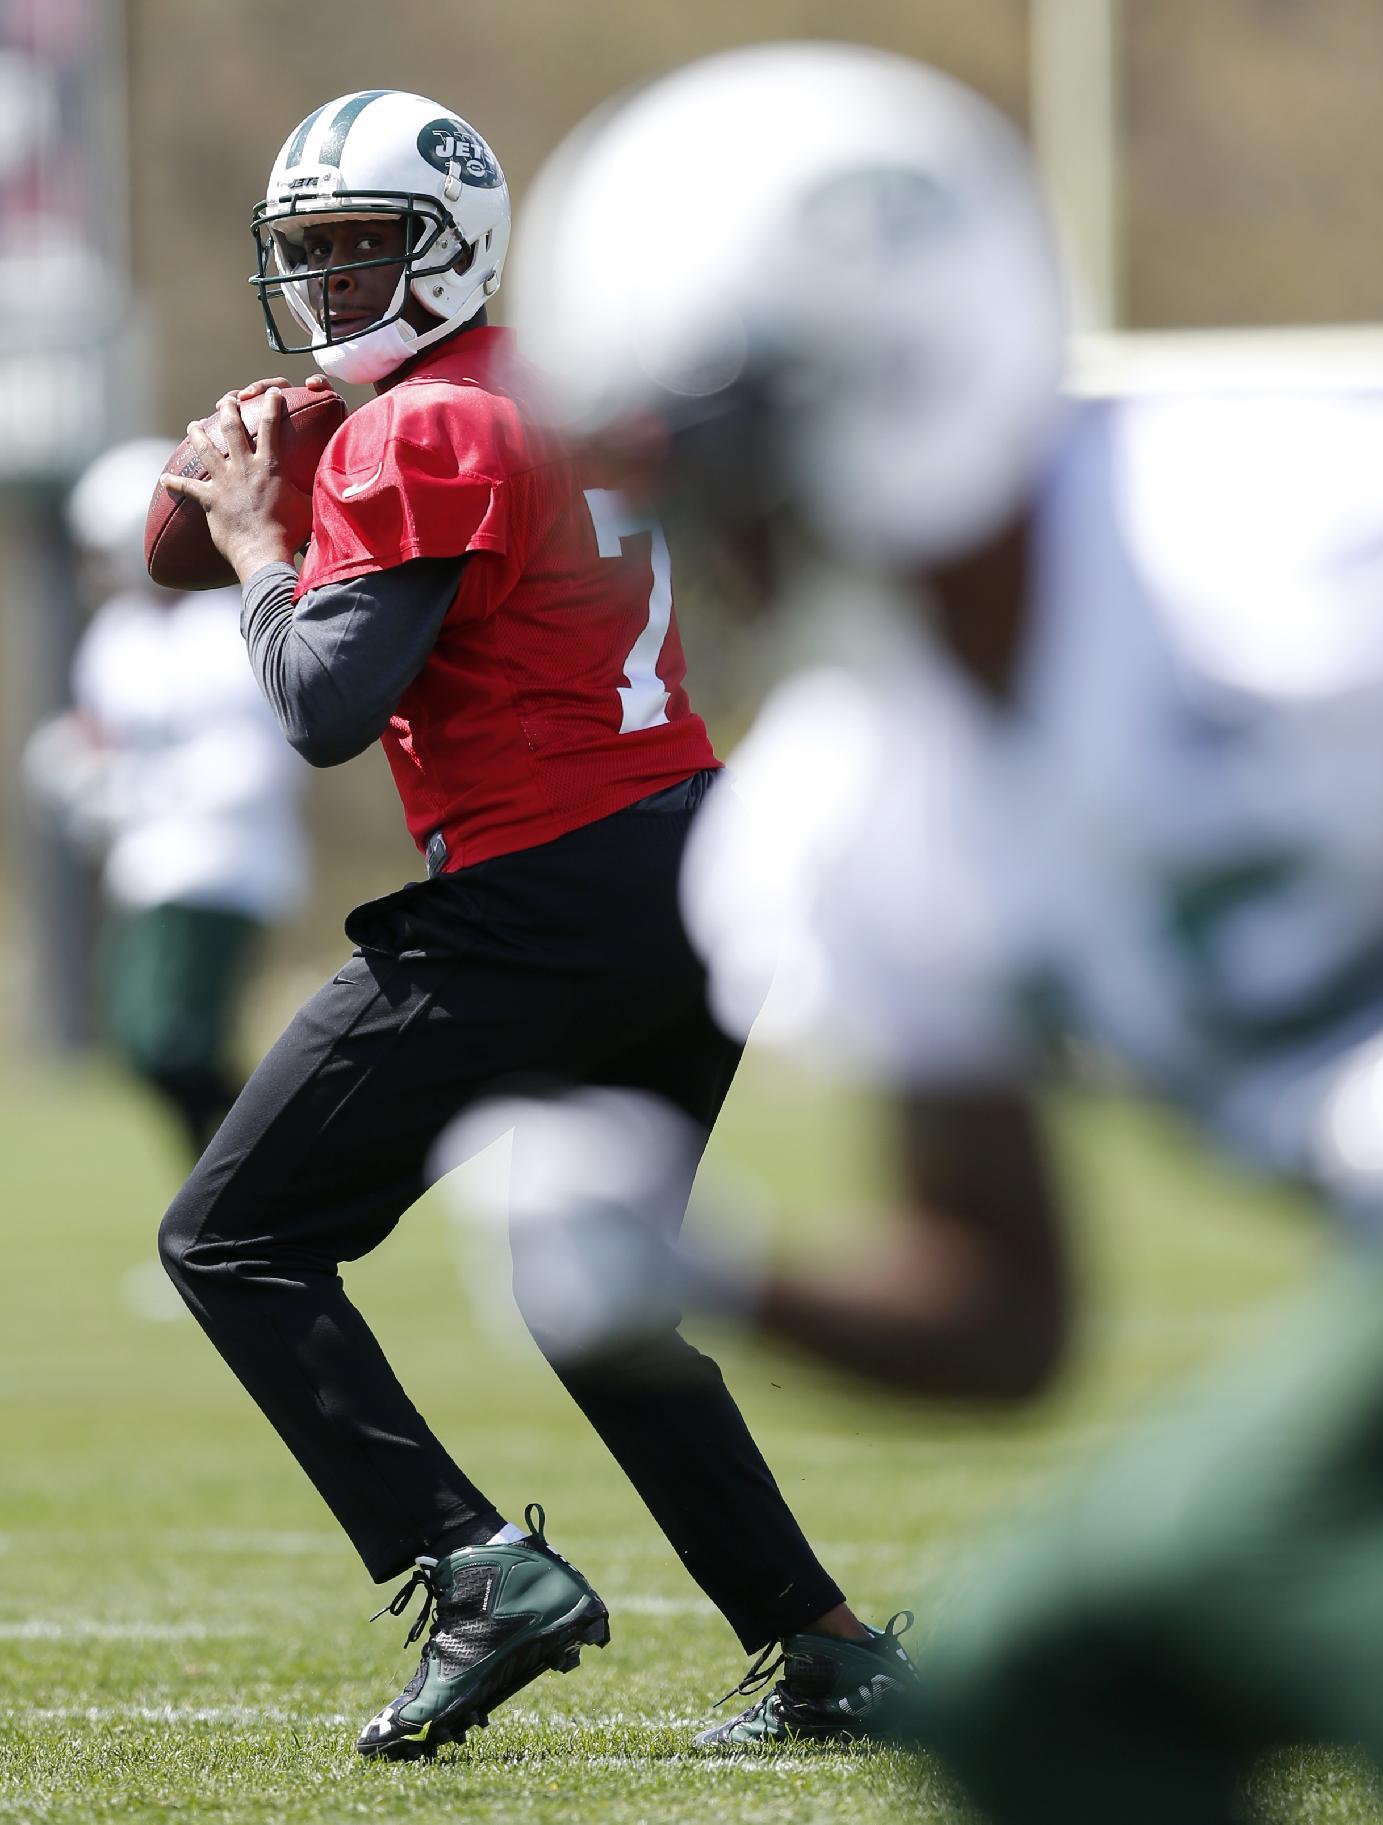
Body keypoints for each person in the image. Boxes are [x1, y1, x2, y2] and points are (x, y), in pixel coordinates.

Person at [503, 40, 1383, 1806]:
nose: (690, 536)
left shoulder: (1287, 542)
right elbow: (1003, 1315)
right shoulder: (846, 813)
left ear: (880, 369)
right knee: (1034, 1684)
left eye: (707, 460)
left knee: (1227, 1577)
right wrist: (713, 1275)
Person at [154, 88, 916, 1764]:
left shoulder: (424, 427)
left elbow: (323, 706)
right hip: (686, 870)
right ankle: (829, 1651)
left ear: (457, 248)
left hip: (546, 881)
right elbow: (171, 556)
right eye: (313, 257)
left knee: (231, 1240)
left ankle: (473, 1569)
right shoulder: (549, 389)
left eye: (368, 250)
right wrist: (236, 497)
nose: (340, 287)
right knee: (599, 1284)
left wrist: (253, 528)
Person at [24, 437, 306, 1160]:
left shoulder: (225, 630)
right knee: (145, 1041)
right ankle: (224, 1200)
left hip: (219, 863)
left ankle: (265, 1171)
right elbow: (103, 739)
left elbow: (255, 767)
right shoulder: (118, 636)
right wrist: (74, 769)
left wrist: (127, 792)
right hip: (147, 865)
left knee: (172, 1042)